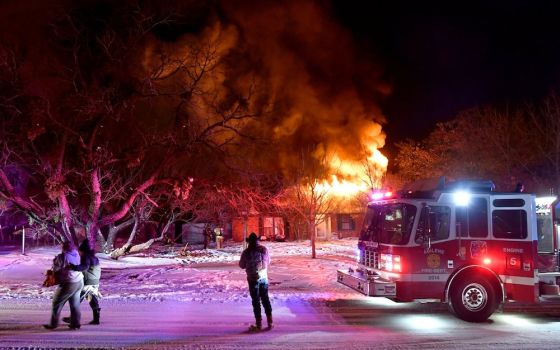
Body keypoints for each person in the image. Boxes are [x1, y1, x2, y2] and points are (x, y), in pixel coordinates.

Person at [43, 241, 83, 330]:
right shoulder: (76, 253)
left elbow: (56, 269)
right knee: (75, 304)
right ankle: (75, 324)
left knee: (57, 303)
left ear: (63, 247)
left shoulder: (63, 256)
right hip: (79, 281)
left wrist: (55, 261)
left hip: (68, 282)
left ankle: (53, 324)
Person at [239, 232, 273, 331]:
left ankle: (259, 324)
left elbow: (241, 265)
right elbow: (268, 262)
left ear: (249, 241)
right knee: (265, 299)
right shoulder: (264, 250)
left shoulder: (246, 252)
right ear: (258, 240)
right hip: (263, 278)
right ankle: (270, 322)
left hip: (252, 279)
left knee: (256, 301)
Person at [63, 239, 102, 325]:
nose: (79, 253)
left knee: (76, 299)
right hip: (95, 281)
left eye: (80, 251)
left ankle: (73, 319)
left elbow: (84, 267)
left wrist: (73, 267)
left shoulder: (86, 257)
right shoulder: (94, 257)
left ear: (83, 250)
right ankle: (96, 319)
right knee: (91, 298)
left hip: (88, 281)